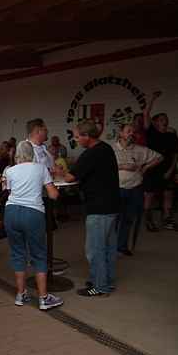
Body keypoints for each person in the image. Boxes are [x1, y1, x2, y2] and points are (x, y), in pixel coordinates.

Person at [3, 141, 63, 310]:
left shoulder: (10, 170)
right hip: (33, 213)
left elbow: (10, 191)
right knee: (38, 254)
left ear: (17, 155)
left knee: (17, 253)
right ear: (32, 154)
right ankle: (44, 298)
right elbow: (53, 195)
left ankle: (20, 295)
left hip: (11, 212)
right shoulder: (40, 168)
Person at [64, 120, 120, 297]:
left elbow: (70, 178)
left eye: (78, 136)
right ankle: (106, 281)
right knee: (108, 247)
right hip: (111, 205)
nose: (76, 140)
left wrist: (58, 171)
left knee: (95, 249)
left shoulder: (91, 154)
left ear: (87, 136)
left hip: (98, 208)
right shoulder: (106, 148)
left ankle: (99, 286)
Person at [112, 124, 163, 256]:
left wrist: (145, 167)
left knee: (128, 219)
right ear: (121, 133)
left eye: (133, 132)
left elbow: (159, 157)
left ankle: (122, 246)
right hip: (117, 188)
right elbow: (102, 165)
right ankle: (110, 247)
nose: (131, 134)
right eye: (128, 131)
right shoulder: (111, 149)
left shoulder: (140, 149)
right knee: (114, 219)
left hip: (135, 188)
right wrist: (123, 166)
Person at [144, 112, 178, 231]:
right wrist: (153, 98)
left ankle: (167, 219)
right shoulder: (151, 133)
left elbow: (176, 155)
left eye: (166, 119)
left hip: (167, 169)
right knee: (149, 194)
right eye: (161, 119)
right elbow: (146, 114)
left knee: (168, 194)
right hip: (152, 168)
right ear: (155, 122)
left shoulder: (172, 135)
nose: (164, 121)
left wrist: (171, 170)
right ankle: (148, 220)